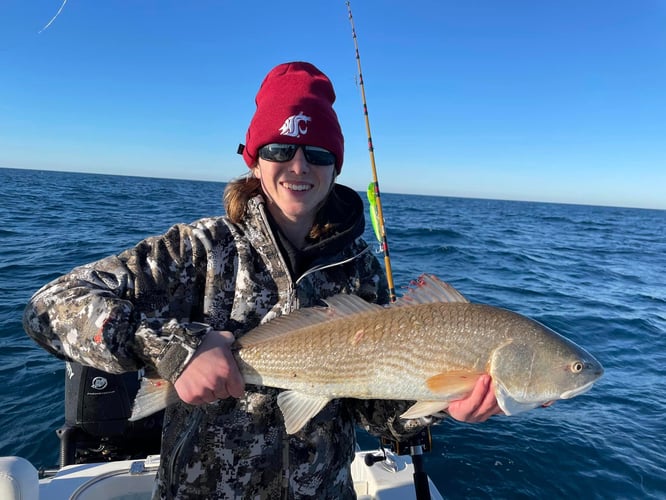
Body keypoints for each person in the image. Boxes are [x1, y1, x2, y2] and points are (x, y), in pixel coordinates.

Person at [24, 61, 500, 499]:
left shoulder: (358, 270)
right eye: (279, 148)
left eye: (317, 152)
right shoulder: (199, 250)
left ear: (335, 167)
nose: (299, 166)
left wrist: (442, 402)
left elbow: (377, 414)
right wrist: (174, 353)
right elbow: (49, 305)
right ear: (254, 159)